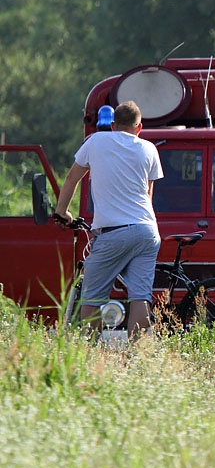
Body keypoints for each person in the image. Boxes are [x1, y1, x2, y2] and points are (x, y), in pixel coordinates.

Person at [54, 101, 163, 337]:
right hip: (147, 230)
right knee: (140, 296)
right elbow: (148, 195)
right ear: (139, 127)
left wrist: (63, 212)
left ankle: (92, 354)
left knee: (92, 296)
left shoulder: (95, 141)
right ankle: (138, 358)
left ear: (113, 125)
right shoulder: (149, 149)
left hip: (114, 232)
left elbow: (73, 178)